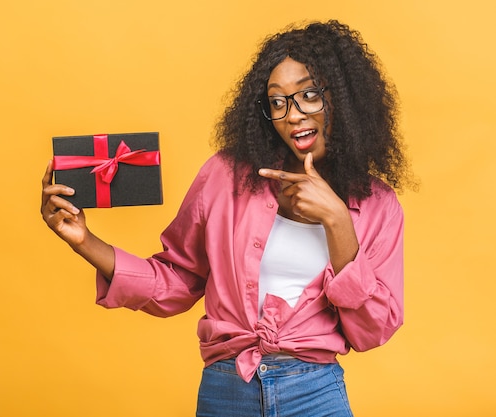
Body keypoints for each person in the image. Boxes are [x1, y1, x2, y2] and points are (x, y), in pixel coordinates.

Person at [41, 19, 413, 417]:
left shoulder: (378, 207)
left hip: (315, 395)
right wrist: (84, 241)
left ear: (342, 98)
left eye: (309, 94)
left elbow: (372, 331)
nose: (293, 114)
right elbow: (177, 281)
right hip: (226, 391)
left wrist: (338, 222)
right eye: (277, 101)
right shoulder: (225, 177)